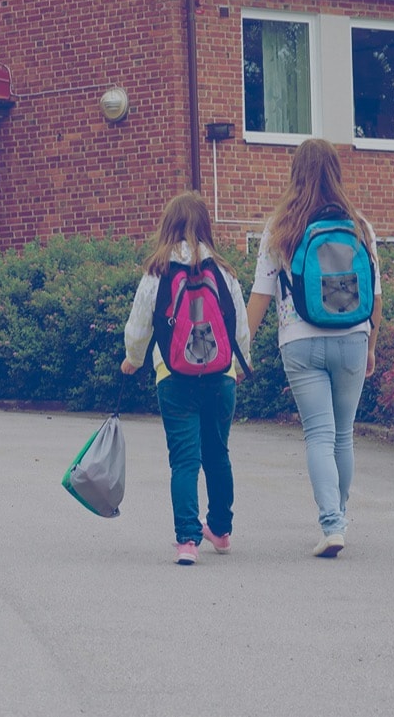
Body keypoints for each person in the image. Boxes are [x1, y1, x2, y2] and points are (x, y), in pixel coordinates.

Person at [247, 138, 382, 558]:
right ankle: (337, 519)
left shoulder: (281, 227)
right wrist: (371, 345)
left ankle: (332, 523)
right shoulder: (360, 226)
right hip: (353, 338)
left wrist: (240, 350)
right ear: (336, 173)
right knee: (343, 436)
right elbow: (376, 297)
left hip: (300, 342)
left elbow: (260, 296)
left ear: (295, 173)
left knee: (319, 435)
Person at [122, 191, 251, 566]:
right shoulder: (224, 273)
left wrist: (133, 360)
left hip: (174, 378)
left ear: (168, 226)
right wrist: (239, 369)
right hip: (221, 376)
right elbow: (239, 329)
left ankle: (188, 542)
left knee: (184, 460)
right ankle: (222, 532)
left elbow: (138, 327)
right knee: (217, 454)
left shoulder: (157, 273)